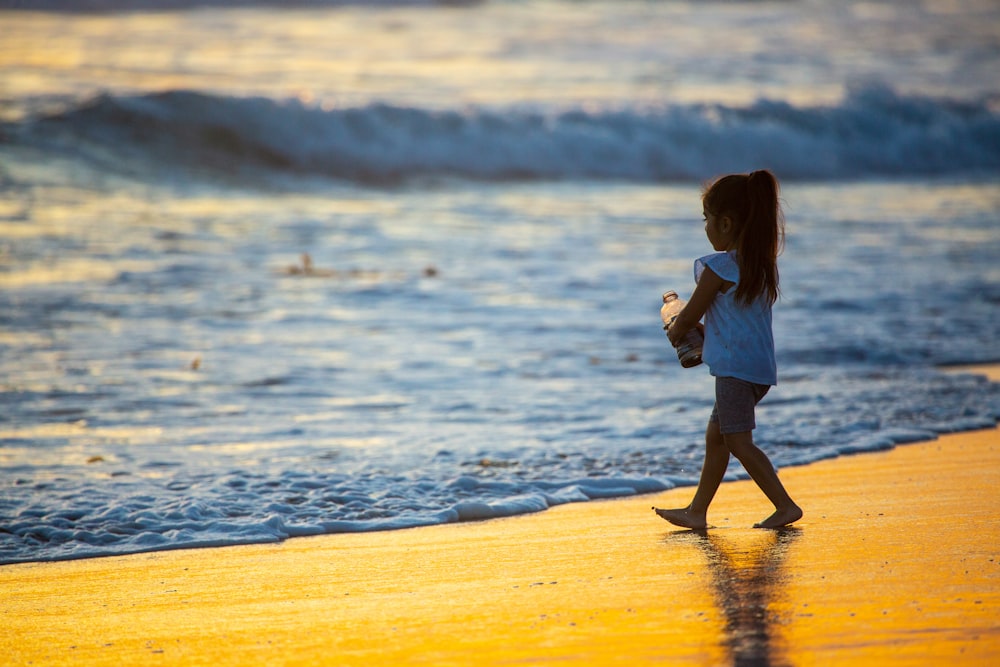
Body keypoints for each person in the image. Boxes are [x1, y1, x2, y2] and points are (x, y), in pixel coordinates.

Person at [654, 170, 802, 530]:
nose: (705, 227)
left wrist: (678, 330)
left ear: (725, 223)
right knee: (717, 437)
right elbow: (736, 321)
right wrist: (705, 332)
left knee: (737, 440)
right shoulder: (758, 267)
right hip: (757, 369)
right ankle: (697, 511)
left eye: (707, 219)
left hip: (735, 372)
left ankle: (785, 506)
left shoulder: (717, 268)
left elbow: (689, 314)